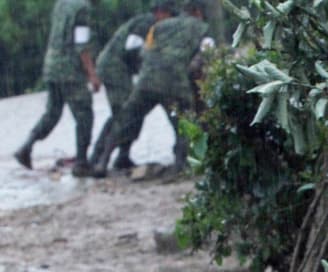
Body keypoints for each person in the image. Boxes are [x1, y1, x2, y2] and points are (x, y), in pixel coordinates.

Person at [90, 0, 214, 177]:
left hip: (147, 79)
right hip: (174, 82)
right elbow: (206, 54)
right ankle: (180, 165)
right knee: (183, 121)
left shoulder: (158, 26)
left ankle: (102, 161)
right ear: (199, 12)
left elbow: (144, 51)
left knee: (125, 118)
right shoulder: (202, 28)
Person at [13, 0, 101, 176]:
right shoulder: (82, 8)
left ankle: (26, 146)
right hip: (69, 70)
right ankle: (82, 162)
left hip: (52, 65)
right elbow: (81, 44)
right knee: (84, 115)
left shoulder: (61, 3)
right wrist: (92, 73)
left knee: (52, 113)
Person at [88, 0, 178, 172]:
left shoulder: (151, 24)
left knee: (129, 112)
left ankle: (121, 155)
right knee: (123, 112)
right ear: (161, 12)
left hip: (120, 68)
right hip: (114, 67)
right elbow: (132, 49)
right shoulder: (146, 23)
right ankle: (98, 157)